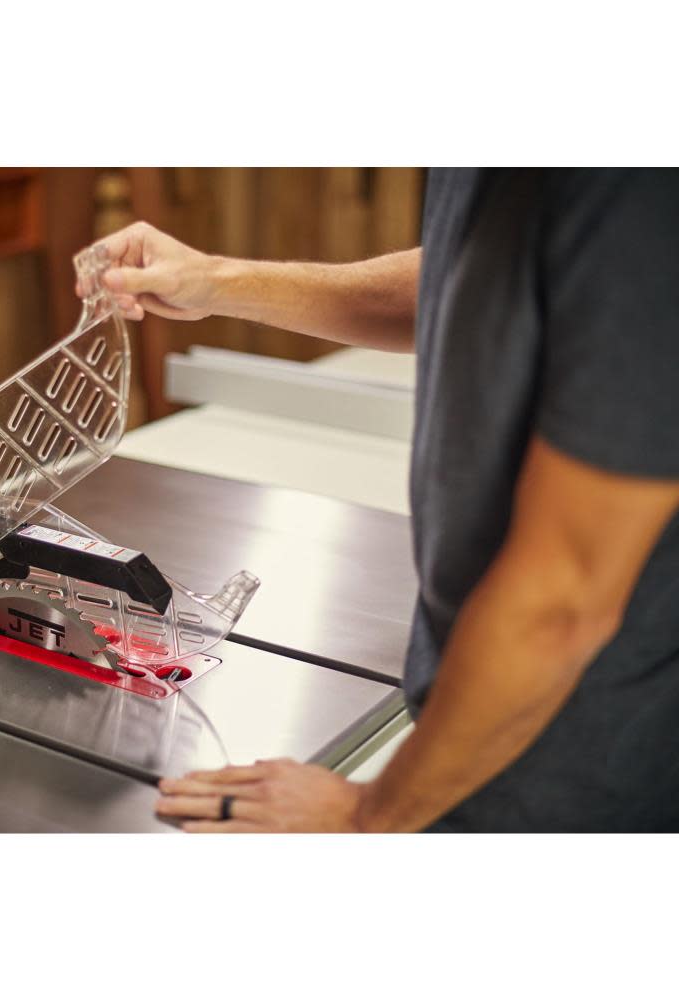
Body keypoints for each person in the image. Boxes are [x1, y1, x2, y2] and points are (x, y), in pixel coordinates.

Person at [81, 169, 679, 832]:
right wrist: (215, 280)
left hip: (586, 771)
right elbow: (465, 278)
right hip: (486, 720)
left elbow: (564, 601)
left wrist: (367, 817)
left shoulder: (638, 195)